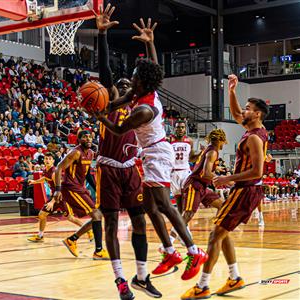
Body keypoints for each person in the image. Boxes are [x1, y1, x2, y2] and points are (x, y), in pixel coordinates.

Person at [95, 22, 207, 280]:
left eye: (135, 76)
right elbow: (123, 94)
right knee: (150, 208)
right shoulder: (142, 89)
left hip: (158, 154)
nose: (132, 78)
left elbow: (119, 130)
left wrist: (100, 116)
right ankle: (170, 251)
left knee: (165, 205)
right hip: (151, 153)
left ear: (142, 82)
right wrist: (149, 42)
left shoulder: (143, 110)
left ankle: (193, 250)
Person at [181, 75, 269, 299]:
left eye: (248, 108)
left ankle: (202, 286)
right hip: (244, 190)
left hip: (246, 190)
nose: (243, 111)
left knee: (214, 236)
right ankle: (234, 277)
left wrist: (228, 177)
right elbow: (237, 113)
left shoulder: (254, 139)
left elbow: (258, 171)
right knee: (222, 232)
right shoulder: (252, 130)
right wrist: (231, 91)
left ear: (257, 114)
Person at [94, 6, 160, 299]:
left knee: (140, 220)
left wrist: (149, 43)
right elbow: (105, 69)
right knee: (109, 222)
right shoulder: (111, 102)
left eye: (126, 84)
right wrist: (102, 34)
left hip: (131, 168)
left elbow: (153, 77)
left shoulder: (140, 104)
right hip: (108, 167)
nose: (122, 87)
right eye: (117, 86)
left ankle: (142, 276)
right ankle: (119, 279)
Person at [46, 130, 109, 260]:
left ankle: (72, 239)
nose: (88, 139)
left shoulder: (91, 153)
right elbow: (58, 168)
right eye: (85, 137)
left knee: (97, 216)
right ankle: (98, 251)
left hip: (80, 188)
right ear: (79, 140)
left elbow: (86, 174)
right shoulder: (75, 152)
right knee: (96, 215)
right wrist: (57, 189)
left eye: (90, 137)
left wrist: (97, 188)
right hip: (70, 188)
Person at [168, 129, 227, 248]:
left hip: (202, 186)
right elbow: (205, 173)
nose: (223, 144)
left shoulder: (207, 149)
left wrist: (216, 169)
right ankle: (169, 242)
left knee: (223, 206)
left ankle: (217, 233)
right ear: (220, 140)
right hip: (194, 185)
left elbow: (201, 167)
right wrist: (224, 179)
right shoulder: (212, 152)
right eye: (223, 142)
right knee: (188, 213)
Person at [26, 152, 92, 243]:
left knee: (70, 218)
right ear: (43, 160)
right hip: (55, 196)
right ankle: (40, 236)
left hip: (61, 197)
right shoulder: (46, 170)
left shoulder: (54, 172)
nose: (47, 160)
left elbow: (59, 188)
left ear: (53, 161)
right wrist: (34, 182)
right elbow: (45, 178)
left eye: (49, 159)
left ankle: (88, 230)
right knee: (42, 214)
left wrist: (52, 202)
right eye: (46, 158)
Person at [169, 120, 201, 214]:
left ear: (185, 129)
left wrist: (200, 154)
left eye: (182, 127)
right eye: (178, 127)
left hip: (185, 171)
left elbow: (191, 159)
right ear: (174, 129)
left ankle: (184, 218)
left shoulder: (189, 141)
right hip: (173, 172)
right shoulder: (169, 140)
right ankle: (181, 219)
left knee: (186, 194)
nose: (180, 129)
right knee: (178, 197)